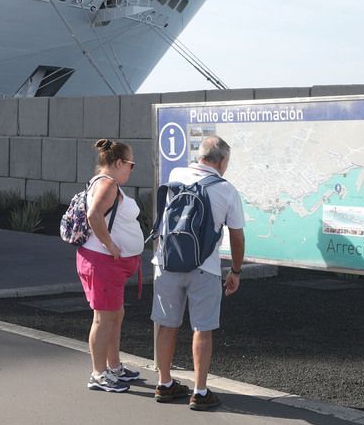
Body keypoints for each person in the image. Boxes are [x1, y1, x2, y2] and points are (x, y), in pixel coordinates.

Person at [152, 135, 246, 410]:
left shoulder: (177, 174)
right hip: (203, 266)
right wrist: (236, 271)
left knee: (167, 323)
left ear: (200, 156)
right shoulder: (226, 190)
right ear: (223, 161)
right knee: (202, 328)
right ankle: (200, 391)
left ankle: (164, 383)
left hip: (167, 261)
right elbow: (237, 238)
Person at [77, 139, 145, 393]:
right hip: (102, 262)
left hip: (107, 264)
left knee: (114, 315)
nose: (131, 169)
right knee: (103, 319)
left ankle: (114, 367)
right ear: (119, 163)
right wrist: (110, 246)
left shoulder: (106, 183)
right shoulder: (107, 184)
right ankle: (98, 373)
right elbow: (94, 215)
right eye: (131, 164)